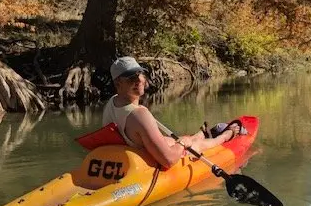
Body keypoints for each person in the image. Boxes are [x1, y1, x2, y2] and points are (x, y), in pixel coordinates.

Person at [102, 56, 240, 168]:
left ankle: (201, 134)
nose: (139, 80)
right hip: (140, 161)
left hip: (131, 154)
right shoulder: (140, 115)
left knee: (174, 140)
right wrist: (182, 144)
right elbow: (168, 160)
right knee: (195, 145)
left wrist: (182, 142)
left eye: (140, 74)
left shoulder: (112, 101)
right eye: (131, 78)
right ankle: (226, 135)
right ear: (118, 83)